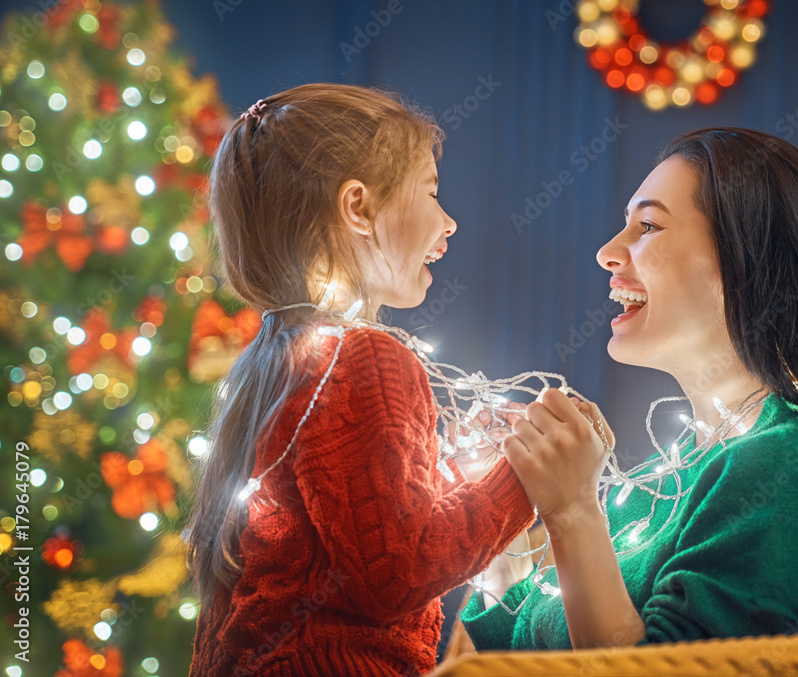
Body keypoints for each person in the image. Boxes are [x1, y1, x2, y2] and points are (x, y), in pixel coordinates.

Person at [460, 127, 798, 650]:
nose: (607, 252)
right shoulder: (660, 478)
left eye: (647, 225)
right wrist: (502, 531)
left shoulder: (788, 462)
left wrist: (574, 509)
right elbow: (515, 652)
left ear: (749, 261)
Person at [184, 83, 535, 676]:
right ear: (358, 208)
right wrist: (527, 473)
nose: (448, 223)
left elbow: (344, 529)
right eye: (431, 191)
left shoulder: (270, 360)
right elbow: (398, 574)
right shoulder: (365, 358)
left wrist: (456, 470)